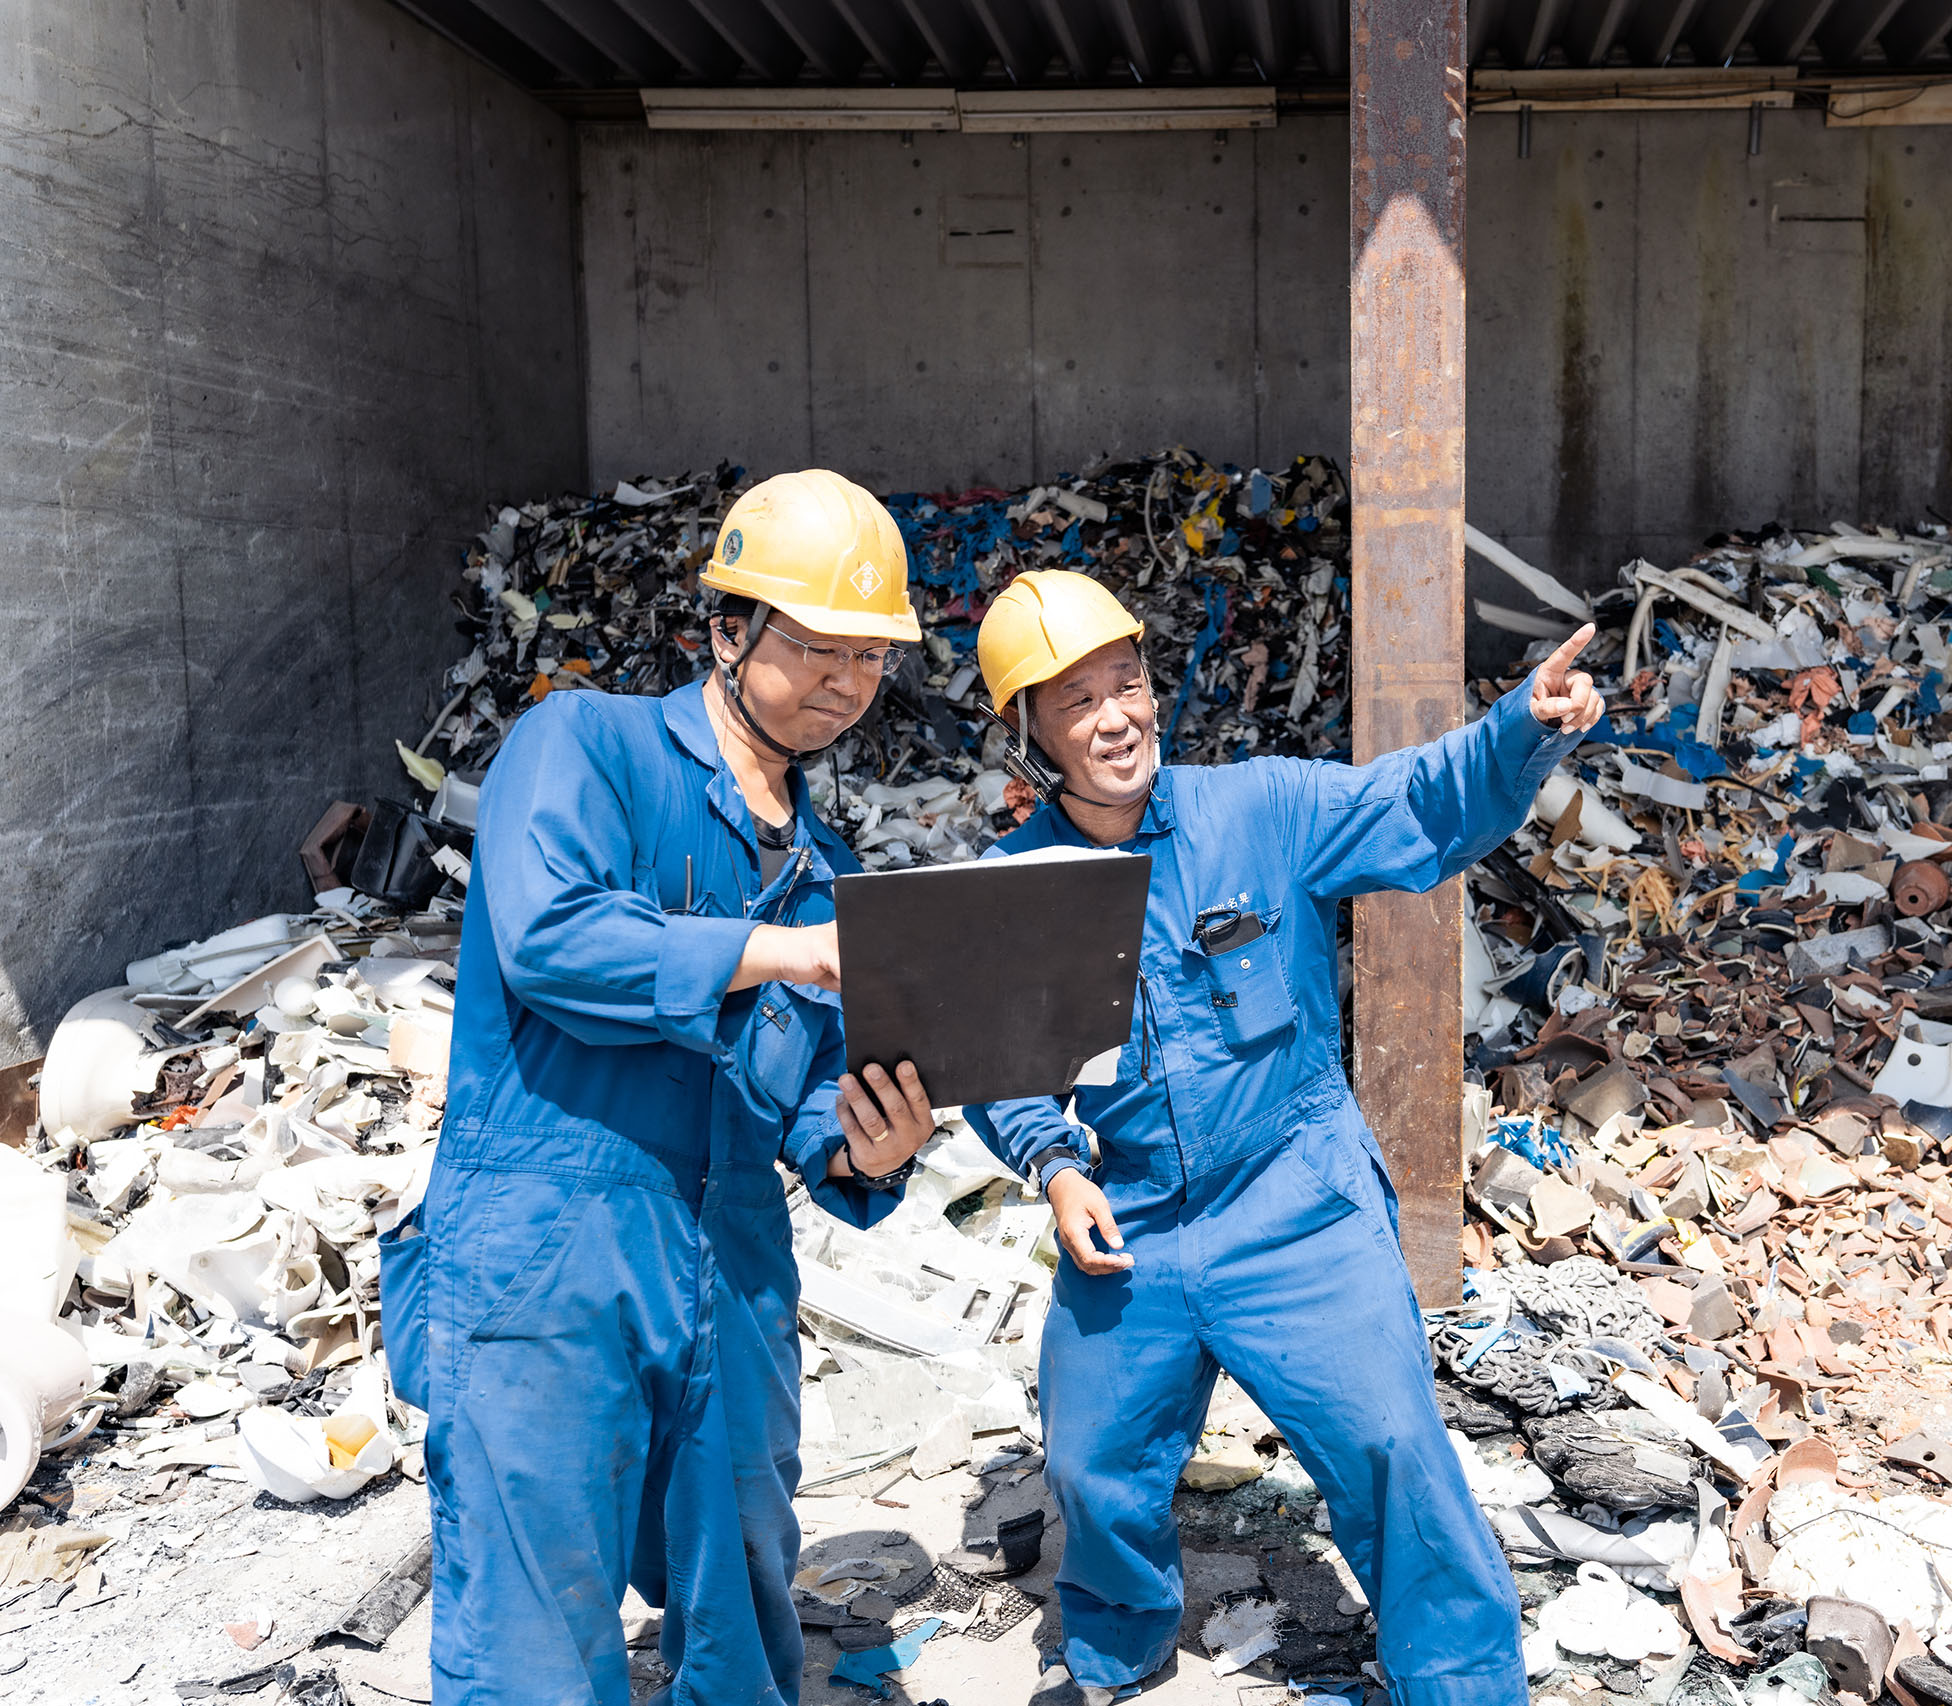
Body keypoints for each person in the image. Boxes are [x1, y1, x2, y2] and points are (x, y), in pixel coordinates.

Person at [964, 570, 1605, 1706]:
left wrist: (1519, 726)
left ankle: (1457, 1677)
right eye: (1075, 701)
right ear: (1028, 736)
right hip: (1136, 1215)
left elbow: (1418, 800)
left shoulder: (1261, 809)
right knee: (1090, 1459)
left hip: (1296, 1197)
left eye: (1128, 683)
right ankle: (1120, 1643)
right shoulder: (1021, 884)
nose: (1115, 716)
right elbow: (999, 1063)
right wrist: (1055, 1165)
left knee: (1393, 1444)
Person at [381, 470, 945, 1706]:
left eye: (870, 659)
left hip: (728, 1266)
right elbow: (550, 939)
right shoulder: (583, 741)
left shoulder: (823, 867)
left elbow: (801, 1102)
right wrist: (783, 950)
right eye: (816, 648)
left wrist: (872, 1148)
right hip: (550, 1243)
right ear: (724, 630)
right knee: (538, 1620)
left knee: (742, 1611)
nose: (847, 683)